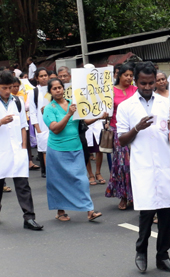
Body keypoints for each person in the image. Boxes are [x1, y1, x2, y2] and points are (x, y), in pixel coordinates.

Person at [116, 62, 170, 273]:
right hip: (143, 166)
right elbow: (122, 140)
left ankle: (163, 256)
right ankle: (141, 252)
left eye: (151, 83)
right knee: (147, 213)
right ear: (136, 81)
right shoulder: (126, 107)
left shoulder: (166, 103)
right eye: (143, 83)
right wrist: (137, 128)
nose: (148, 87)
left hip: (165, 164)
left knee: (166, 213)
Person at [42, 78, 102, 222]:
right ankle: (60, 211)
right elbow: (55, 129)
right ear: (50, 91)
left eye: (60, 87)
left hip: (76, 148)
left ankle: (89, 210)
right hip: (57, 150)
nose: (58, 90)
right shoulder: (49, 108)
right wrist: (68, 114)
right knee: (58, 181)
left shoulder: (73, 104)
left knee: (81, 180)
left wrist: (100, 116)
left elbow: (84, 121)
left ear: (63, 88)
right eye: (54, 88)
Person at [0, 72, 43, 230]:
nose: (8, 91)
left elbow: (24, 126)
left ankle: (29, 218)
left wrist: (24, 147)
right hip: (1, 151)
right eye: (4, 88)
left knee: (23, 185)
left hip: (17, 149)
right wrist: (1, 122)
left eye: (10, 87)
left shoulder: (17, 101)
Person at [105, 63, 136, 210]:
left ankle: (134, 196)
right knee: (123, 165)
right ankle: (123, 196)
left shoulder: (136, 90)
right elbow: (105, 110)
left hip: (136, 131)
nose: (129, 78)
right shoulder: (110, 91)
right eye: (126, 75)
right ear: (119, 75)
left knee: (135, 164)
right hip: (118, 131)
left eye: (131, 75)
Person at [28, 67, 50, 178]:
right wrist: (38, 129)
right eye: (41, 76)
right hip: (41, 126)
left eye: (45, 75)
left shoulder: (52, 89)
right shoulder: (33, 92)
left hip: (54, 125)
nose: (44, 78)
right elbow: (32, 112)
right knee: (44, 151)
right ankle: (47, 172)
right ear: (37, 78)